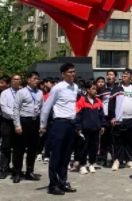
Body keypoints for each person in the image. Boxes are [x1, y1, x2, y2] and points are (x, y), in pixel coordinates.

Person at [40, 63, 79, 196]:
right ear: (63, 74)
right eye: (69, 72)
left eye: (74, 72)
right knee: (56, 155)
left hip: (71, 124)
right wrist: (43, 125)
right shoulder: (57, 88)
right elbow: (46, 107)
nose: (72, 74)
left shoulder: (75, 87)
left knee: (66, 156)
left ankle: (63, 182)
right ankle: (53, 184)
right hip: (59, 123)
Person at [12, 72, 43, 183]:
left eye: (37, 79)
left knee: (32, 149)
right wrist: (17, 124)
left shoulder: (39, 92)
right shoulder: (21, 92)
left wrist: (42, 125)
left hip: (35, 122)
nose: (36, 80)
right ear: (28, 79)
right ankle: (17, 172)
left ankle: (29, 171)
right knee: (19, 149)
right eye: (34, 78)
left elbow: (41, 109)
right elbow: (16, 109)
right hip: (24, 121)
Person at [108, 68, 132, 171]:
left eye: (127, 74)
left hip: (131, 119)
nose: (124, 75)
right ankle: (116, 160)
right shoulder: (117, 88)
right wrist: (112, 117)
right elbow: (111, 104)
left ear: (131, 76)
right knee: (118, 141)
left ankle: (128, 160)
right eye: (123, 74)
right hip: (120, 119)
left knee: (130, 141)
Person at [75, 80, 107, 175]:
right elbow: (78, 115)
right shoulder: (81, 100)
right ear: (88, 89)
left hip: (95, 128)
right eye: (93, 89)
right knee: (83, 148)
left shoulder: (98, 101)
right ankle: (82, 165)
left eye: (95, 89)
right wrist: (78, 127)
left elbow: (101, 115)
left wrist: (102, 125)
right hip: (85, 129)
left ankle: (92, 163)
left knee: (94, 147)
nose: (95, 91)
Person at [0, 74, 22, 179]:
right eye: (14, 79)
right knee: (5, 147)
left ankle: (16, 170)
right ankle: (3, 168)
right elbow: (4, 108)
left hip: (20, 124)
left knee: (17, 148)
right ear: (11, 81)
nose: (16, 81)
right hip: (8, 122)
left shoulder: (23, 92)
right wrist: (15, 116)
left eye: (18, 79)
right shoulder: (5, 93)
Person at [98, 70, 116, 167]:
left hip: (114, 118)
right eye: (108, 74)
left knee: (114, 139)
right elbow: (98, 103)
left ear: (115, 77)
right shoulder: (102, 89)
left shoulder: (118, 89)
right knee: (104, 139)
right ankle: (102, 158)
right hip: (104, 117)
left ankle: (115, 158)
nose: (109, 76)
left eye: (111, 75)